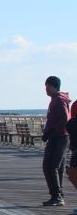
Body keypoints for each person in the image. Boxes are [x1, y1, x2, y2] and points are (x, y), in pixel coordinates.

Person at [41, 76, 71, 206]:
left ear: (54, 87)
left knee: (51, 166)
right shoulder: (55, 99)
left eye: (48, 86)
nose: (46, 89)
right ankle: (58, 195)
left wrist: (50, 132)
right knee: (55, 167)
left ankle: (57, 197)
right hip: (57, 136)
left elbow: (65, 119)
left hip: (60, 137)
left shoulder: (59, 100)